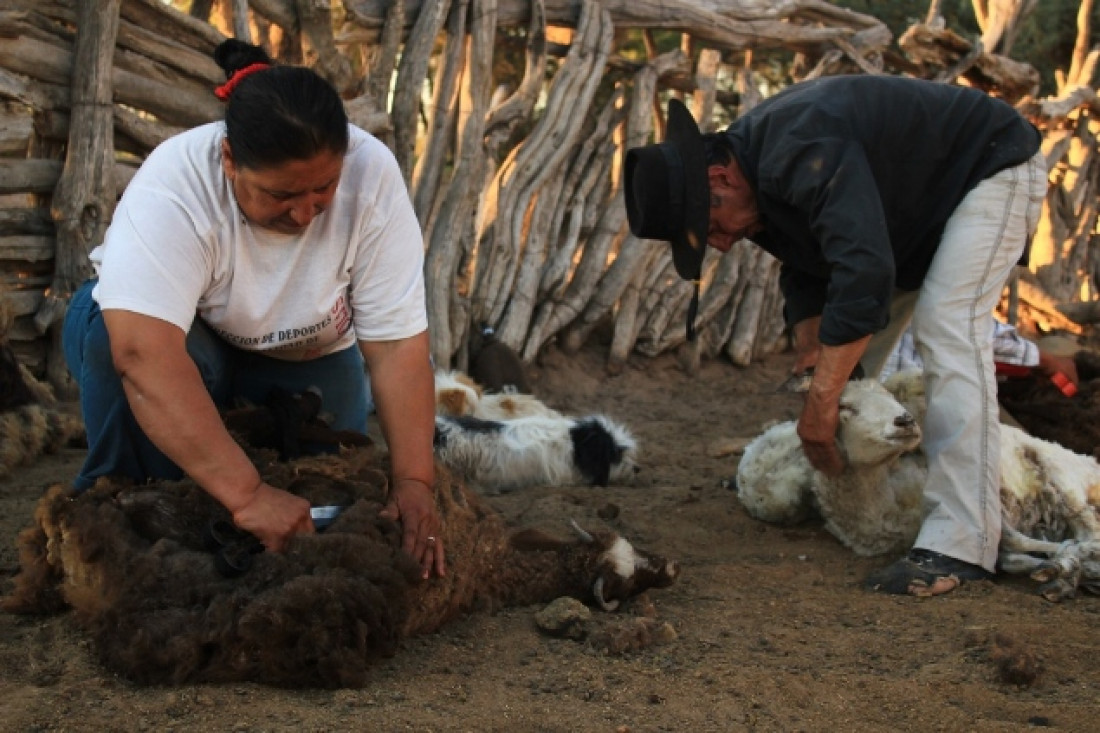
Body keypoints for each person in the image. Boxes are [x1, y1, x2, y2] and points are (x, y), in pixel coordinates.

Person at [624, 75, 1046, 596]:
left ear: (720, 178)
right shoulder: (758, 176)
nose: (723, 246)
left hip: (990, 167)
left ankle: (962, 542)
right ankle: (833, 488)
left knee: (947, 327)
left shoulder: (800, 147)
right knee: (846, 367)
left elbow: (863, 270)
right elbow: (809, 267)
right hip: (910, 221)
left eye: (709, 228)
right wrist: (811, 354)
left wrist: (822, 403)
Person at [62, 39, 445, 579]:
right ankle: (104, 499)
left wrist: (414, 483)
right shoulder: (176, 186)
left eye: (323, 188)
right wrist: (245, 494)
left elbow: (398, 347)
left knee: (324, 496)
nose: (305, 213)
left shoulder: (372, 175)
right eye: (281, 194)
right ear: (228, 161)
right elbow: (142, 352)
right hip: (185, 343)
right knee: (162, 498)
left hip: (303, 350)